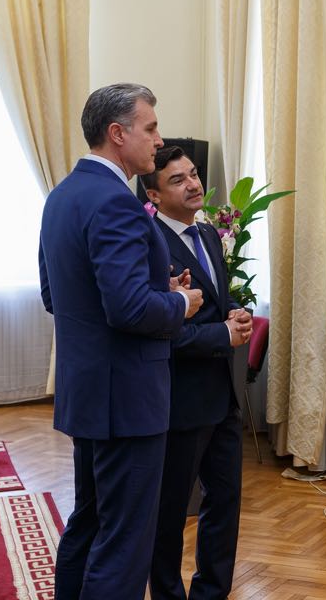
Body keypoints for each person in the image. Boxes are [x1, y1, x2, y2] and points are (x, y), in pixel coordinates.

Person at [39, 84, 203, 600]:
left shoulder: (62, 196)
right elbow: (128, 309)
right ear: (118, 134)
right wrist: (180, 304)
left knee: (87, 525)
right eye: (150, 128)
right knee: (124, 544)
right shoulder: (118, 204)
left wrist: (156, 293)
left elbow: (56, 294)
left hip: (89, 394)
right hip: (127, 403)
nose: (159, 140)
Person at [141, 146, 253, 600]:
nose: (193, 184)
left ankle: (211, 594)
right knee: (169, 516)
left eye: (193, 174)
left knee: (224, 503)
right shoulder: (148, 243)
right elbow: (158, 333)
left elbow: (218, 298)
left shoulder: (207, 234)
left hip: (223, 396)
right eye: (177, 180)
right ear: (153, 193)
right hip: (179, 402)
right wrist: (223, 336)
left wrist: (236, 314)